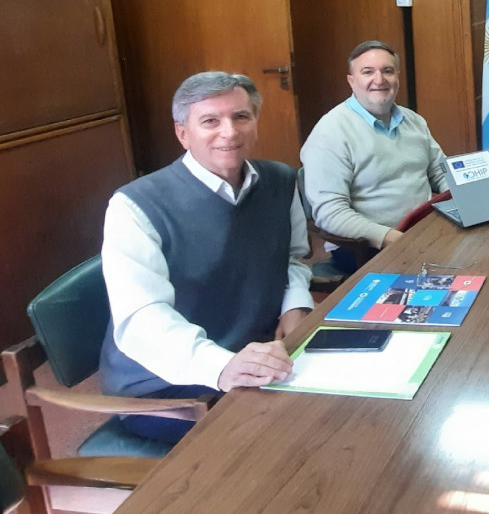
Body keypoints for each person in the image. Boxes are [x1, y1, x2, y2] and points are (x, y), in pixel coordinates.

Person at [100, 72, 313, 443]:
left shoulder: (280, 181)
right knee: (288, 438)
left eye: (241, 117)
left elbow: (292, 257)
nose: (229, 132)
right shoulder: (134, 206)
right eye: (210, 121)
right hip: (165, 386)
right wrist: (222, 365)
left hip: (256, 353)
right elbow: (141, 319)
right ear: (183, 133)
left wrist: (294, 307)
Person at [300, 40, 449, 273]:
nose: (379, 80)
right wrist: (392, 238)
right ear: (352, 81)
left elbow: (441, 172)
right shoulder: (330, 133)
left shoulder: (414, 121)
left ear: (397, 77)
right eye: (368, 72)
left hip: (424, 231)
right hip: (366, 247)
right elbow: (331, 214)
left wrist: (467, 196)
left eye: (387, 71)